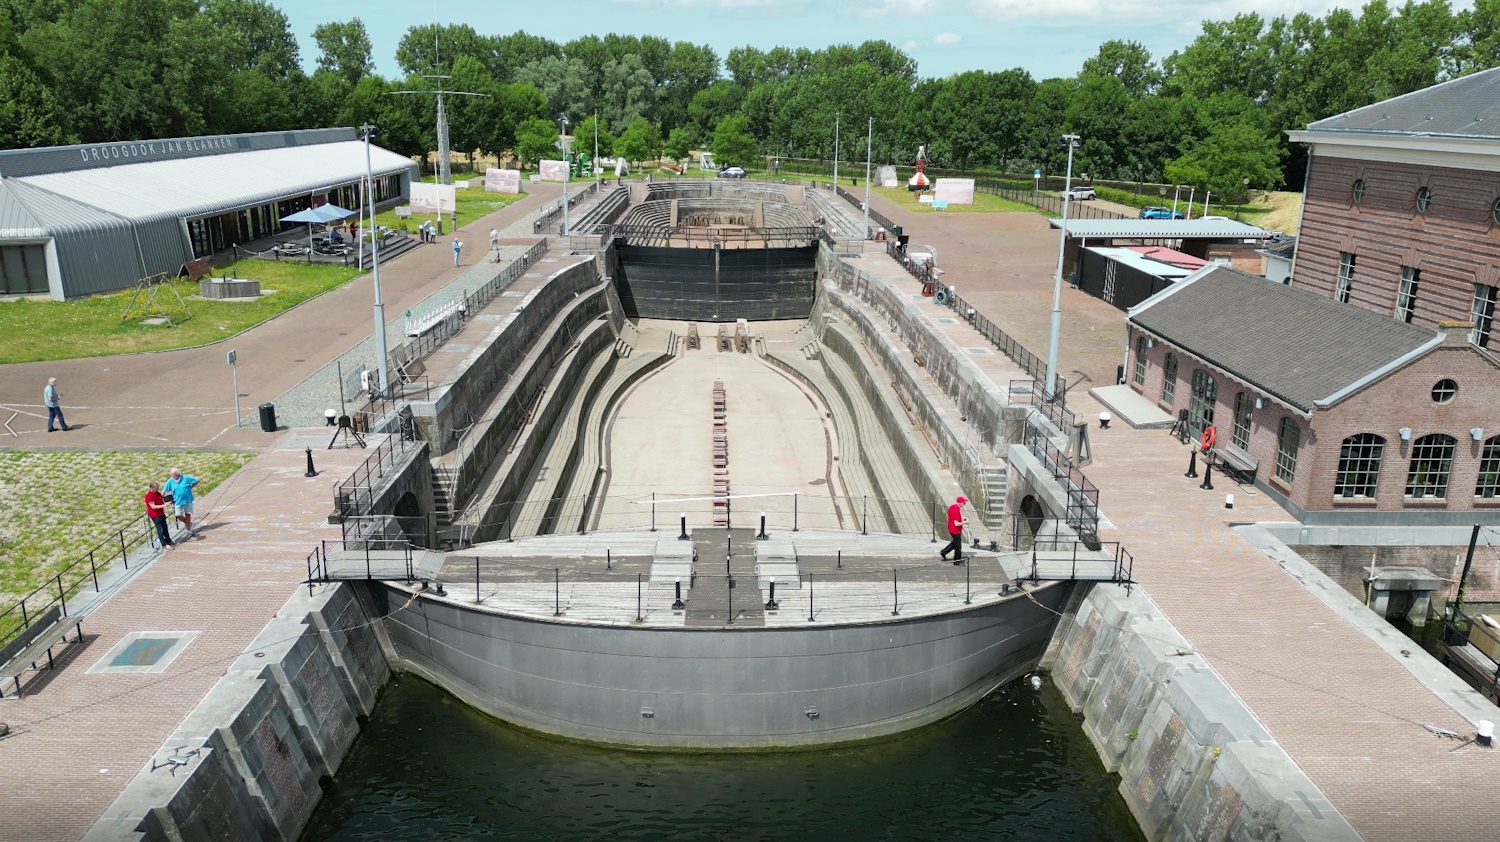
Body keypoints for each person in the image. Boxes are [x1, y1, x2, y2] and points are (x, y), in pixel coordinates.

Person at [162, 468, 200, 535]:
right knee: (178, 515)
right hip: (177, 501)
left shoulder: (185, 478)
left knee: (188, 513)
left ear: (178, 473)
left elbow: (197, 480)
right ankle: (187, 522)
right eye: (172, 475)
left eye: (175, 474)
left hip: (188, 499)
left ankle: (188, 529)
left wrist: (191, 487)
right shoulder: (170, 481)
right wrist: (161, 499)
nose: (174, 476)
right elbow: (164, 490)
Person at [145, 482, 175, 550]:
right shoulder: (149, 496)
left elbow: (162, 501)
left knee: (165, 527)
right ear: (152, 488)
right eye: (156, 488)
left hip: (161, 513)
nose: (157, 489)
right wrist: (164, 505)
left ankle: (169, 541)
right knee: (160, 529)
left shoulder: (158, 493)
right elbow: (153, 506)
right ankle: (164, 544)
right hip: (155, 515)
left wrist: (168, 502)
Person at [940, 496, 968, 563]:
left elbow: (950, 517)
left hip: (951, 528)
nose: (964, 504)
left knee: (955, 543)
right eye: (964, 503)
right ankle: (957, 561)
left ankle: (944, 552)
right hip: (956, 530)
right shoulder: (956, 510)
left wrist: (961, 518)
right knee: (958, 547)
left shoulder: (952, 507)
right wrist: (965, 522)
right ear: (960, 503)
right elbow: (956, 524)